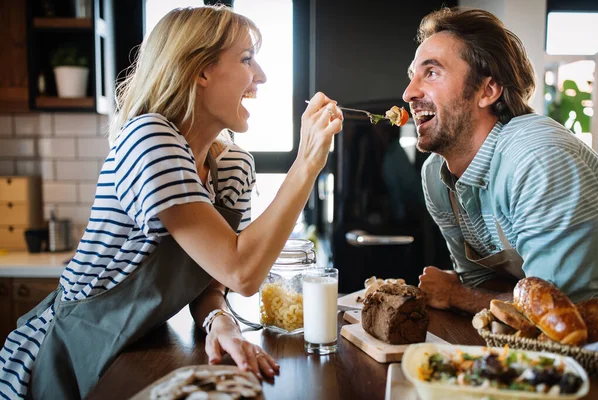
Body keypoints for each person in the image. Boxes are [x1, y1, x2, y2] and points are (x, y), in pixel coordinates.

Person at [0, 5, 343, 400]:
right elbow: (241, 270)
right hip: (63, 356)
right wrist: (306, 164)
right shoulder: (149, 138)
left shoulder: (233, 166)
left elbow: (212, 282)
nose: (261, 76)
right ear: (200, 70)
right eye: (247, 59)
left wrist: (219, 321)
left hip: (136, 351)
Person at [402, 7, 598, 314]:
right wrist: (468, 292)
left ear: (488, 90)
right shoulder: (436, 176)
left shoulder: (538, 159)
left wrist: (458, 296)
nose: (409, 93)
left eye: (432, 72)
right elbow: (481, 282)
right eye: (412, 75)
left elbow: (565, 313)